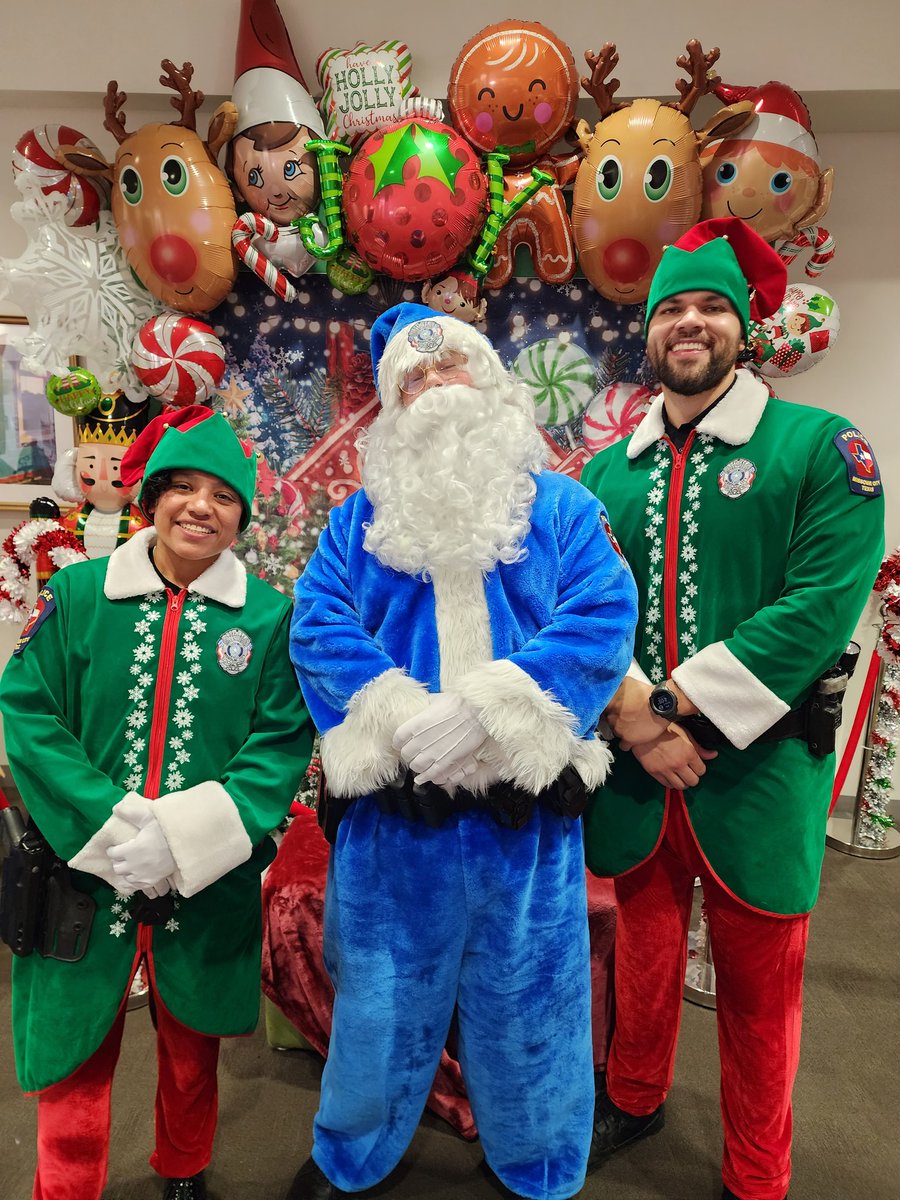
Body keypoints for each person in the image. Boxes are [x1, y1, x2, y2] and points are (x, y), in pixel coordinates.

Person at [287, 302, 638, 1200]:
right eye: (415, 379)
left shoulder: (564, 508)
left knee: (535, 1004)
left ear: (489, 386)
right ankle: (351, 1154)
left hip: (524, 826)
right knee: (378, 1004)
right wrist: (402, 717)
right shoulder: (356, 523)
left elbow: (602, 617)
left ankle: (540, 1161)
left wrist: (494, 711)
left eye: (451, 373)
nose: (436, 389)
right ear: (393, 409)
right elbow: (319, 627)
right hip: (396, 824)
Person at [580, 216, 885, 1200]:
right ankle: (633, 1095)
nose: (690, 323)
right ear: (650, 333)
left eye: (711, 306)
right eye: (672, 308)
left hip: (757, 773)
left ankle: (758, 1170)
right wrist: (633, 718)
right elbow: (581, 609)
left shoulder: (824, 446)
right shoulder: (606, 472)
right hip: (635, 772)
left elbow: (818, 609)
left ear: (745, 324)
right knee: (644, 947)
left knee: (761, 991)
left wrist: (674, 710)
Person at [0, 405, 313, 1200]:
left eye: (222, 494)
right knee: (74, 1053)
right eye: (181, 488)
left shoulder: (272, 621)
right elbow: (30, 714)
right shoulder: (76, 595)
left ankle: (183, 1174)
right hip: (80, 871)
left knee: (191, 1047)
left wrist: (184, 839)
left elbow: (277, 746)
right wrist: (108, 821)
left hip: (205, 880)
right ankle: (62, 1189)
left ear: (244, 513)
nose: (200, 507)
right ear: (152, 498)